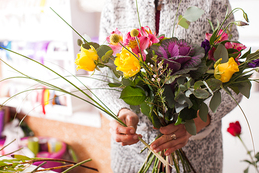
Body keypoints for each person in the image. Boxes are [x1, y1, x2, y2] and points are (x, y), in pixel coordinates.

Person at [96, 0, 242, 172]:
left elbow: (235, 76)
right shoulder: (115, 4)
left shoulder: (213, 2)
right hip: (132, 158)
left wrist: (197, 121)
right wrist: (119, 111)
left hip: (197, 157)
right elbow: (101, 76)